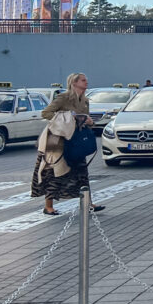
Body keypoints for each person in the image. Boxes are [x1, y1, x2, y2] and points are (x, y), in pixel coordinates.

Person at [32, 72, 105, 215]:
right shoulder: (63, 98)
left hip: (77, 140)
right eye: (83, 80)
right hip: (59, 140)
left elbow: (84, 119)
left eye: (86, 80)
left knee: (82, 172)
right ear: (74, 82)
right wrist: (67, 117)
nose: (86, 83)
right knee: (55, 171)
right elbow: (46, 113)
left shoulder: (84, 100)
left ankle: (88, 203)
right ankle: (48, 206)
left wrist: (89, 121)